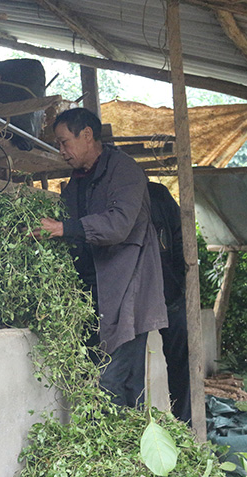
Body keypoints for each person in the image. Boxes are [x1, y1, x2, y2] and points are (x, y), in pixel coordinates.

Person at [33, 107, 168, 408]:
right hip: (95, 294)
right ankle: (129, 446)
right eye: (58, 144)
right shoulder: (78, 181)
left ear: (88, 135)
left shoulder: (124, 170)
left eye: (64, 141)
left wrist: (61, 229)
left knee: (111, 380)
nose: (61, 151)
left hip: (126, 291)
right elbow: (69, 229)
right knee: (113, 380)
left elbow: (119, 223)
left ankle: (120, 449)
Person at [148, 181, 192, 423]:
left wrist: (177, 284)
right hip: (132, 300)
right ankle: (132, 430)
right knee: (128, 369)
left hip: (169, 295)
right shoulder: (107, 195)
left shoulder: (157, 195)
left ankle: (185, 423)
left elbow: (180, 237)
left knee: (181, 362)